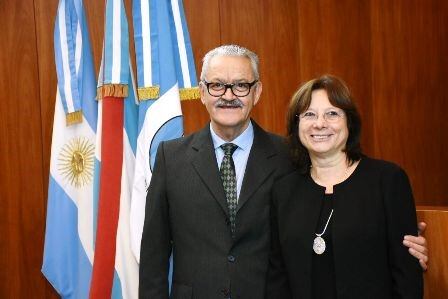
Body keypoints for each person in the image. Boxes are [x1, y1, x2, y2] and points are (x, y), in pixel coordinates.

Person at [139, 46, 427, 299]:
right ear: (202, 92)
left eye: (241, 85)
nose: (228, 95)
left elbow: (338, 213)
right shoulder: (170, 157)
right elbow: (154, 255)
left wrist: (402, 242)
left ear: (257, 92)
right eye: (216, 85)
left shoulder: (291, 156)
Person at [266, 75, 424, 298]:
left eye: (332, 113)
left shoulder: (388, 181)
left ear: (349, 122)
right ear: (296, 124)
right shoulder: (283, 190)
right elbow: (277, 278)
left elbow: (407, 277)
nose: (320, 123)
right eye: (309, 114)